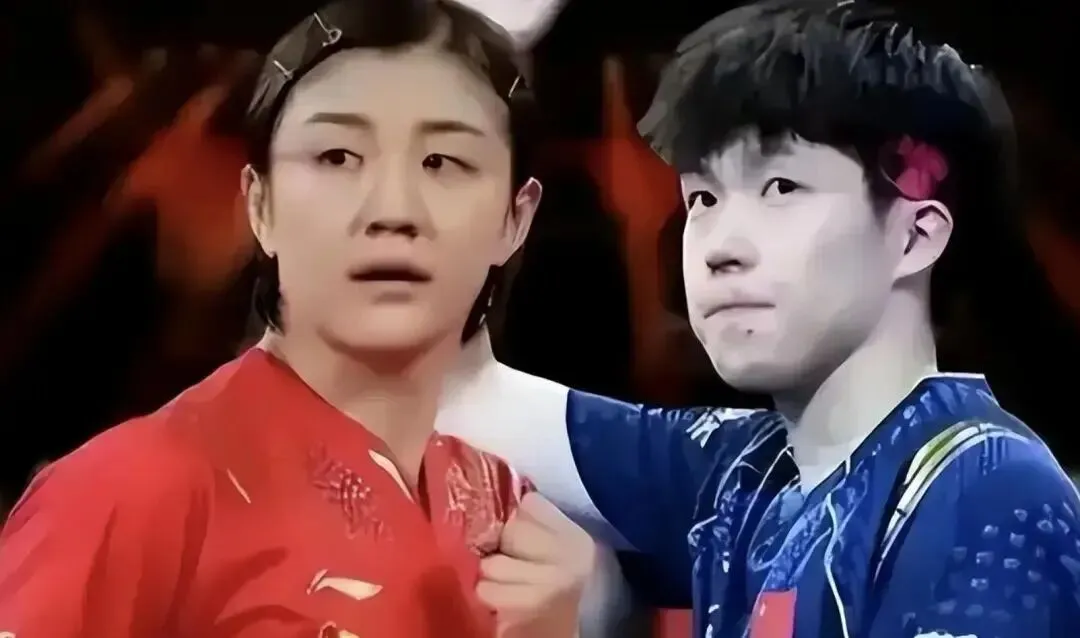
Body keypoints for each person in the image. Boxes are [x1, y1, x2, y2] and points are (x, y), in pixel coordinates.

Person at [436, 1, 1080, 636]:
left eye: (781, 188)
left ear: (915, 235)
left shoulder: (988, 490)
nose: (720, 247)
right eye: (703, 198)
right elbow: (461, 391)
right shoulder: (743, 473)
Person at [0, 1, 596, 637]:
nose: (393, 209)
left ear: (515, 219)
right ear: (261, 206)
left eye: (443, 161)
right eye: (337, 157)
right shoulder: (128, 495)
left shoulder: (509, 510)